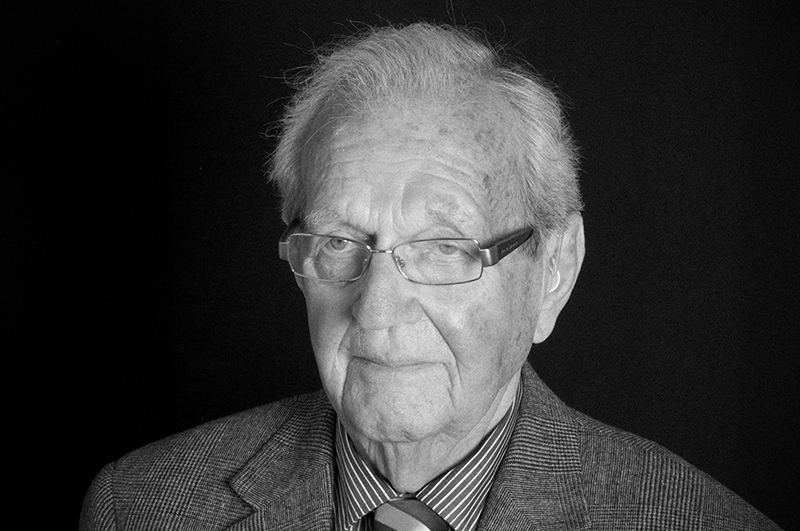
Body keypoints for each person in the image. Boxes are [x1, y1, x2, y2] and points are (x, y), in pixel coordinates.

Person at [80, 22, 781, 530]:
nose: (377, 310)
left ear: (555, 270)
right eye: (339, 241)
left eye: (445, 248)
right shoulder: (139, 507)